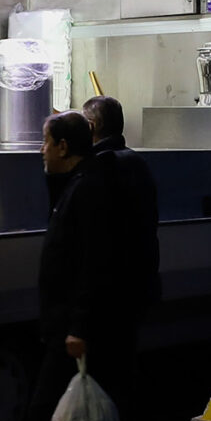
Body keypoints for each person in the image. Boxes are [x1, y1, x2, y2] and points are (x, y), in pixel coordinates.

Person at [13, 111, 148, 421]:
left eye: (46, 142)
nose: (41, 149)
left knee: (45, 416)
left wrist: (79, 327)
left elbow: (95, 264)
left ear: (65, 148)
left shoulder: (89, 190)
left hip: (78, 330)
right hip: (85, 325)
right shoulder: (84, 183)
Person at [79, 95, 163, 312]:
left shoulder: (97, 167)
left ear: (90, 126)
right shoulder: (138, 162)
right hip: (140, 283)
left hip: (108, 292)